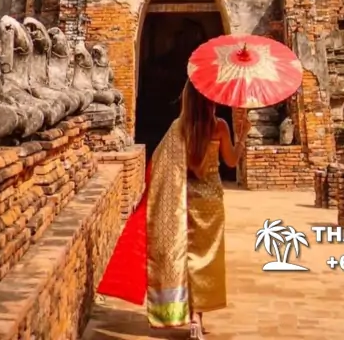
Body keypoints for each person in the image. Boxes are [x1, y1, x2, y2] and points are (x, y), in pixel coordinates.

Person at [98, 79, 251, 339]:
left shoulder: (179, 128)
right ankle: (197, 318)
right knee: (205, 260)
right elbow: (231, 160)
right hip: (211, 202)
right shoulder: (221, 127)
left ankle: (184, 314)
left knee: (182, 256)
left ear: (188, 99)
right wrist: (243, 136)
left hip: (183, 198)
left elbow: (159, 165)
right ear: (211, 101)